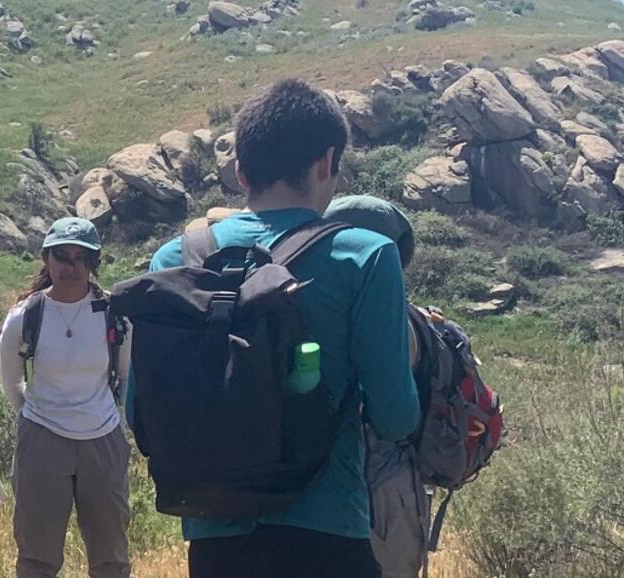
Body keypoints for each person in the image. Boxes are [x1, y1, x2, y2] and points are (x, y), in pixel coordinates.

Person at [140, 79, 419, 578]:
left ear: (242, 171)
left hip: (215, 537)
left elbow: (139, 410)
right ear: (326, 162)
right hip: (328, 531)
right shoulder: (366, 256)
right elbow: (397, 417)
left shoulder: (176, 260)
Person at [0, 217, 132, 578]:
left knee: (111, 557)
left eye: (81, 258)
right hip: (43, 439)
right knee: (37, 557)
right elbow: (11, 380)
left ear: (94, 262)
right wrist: (34, 416)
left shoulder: (115, 316)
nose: (71, 267)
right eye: (62, 256)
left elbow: (123, 374)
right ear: (46, 258)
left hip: (102, 438)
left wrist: (109, 415)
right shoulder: (24, 317)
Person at [320, 195, 431, 578]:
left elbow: (392, 416)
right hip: (393, 490)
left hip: (371, 490)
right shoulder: (407, 319)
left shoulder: (395, 325)